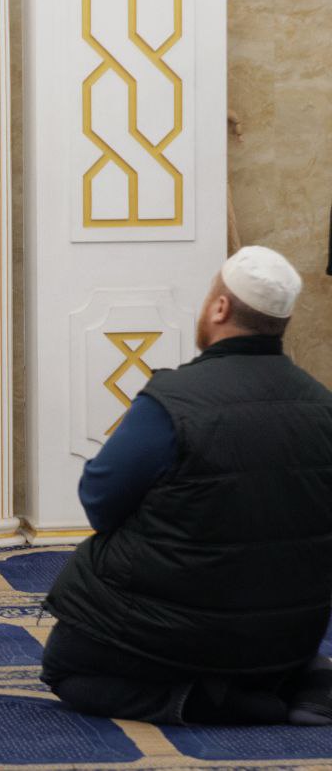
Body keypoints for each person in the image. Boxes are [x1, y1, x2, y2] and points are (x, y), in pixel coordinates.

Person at [42, 246, 332, 726]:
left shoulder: (172, 402)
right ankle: (307, 676)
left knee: (67, 668)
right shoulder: (322, 405)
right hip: (289, 630)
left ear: (219, 308)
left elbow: (99, 502)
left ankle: (208, 702)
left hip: (182, 633)